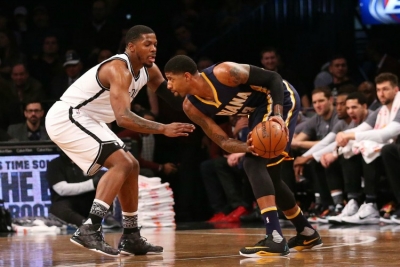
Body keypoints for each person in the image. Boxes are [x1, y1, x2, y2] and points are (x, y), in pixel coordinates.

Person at [45, 25, 195, 257]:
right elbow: (123, 118)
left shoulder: (150, 70)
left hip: (90, 119)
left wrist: (208, 99)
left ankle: (131, 236)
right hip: (68, 116)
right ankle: (90, 227)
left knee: (132, 165)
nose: (153, 48)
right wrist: (164, 128)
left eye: (155, 44)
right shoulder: (118, 68)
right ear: (131, 46)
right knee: (122, 164)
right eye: (147, 44)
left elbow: (176, 101)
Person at [164, 55, 322, 257]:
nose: (168, 85)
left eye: (170, 78)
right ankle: (306, 232)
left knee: (253, 165)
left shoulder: (225, 72)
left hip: (279, 99)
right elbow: (222, 141)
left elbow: (273, 78)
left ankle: (274, 237)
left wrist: (276, 113)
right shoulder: (191, 107)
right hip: (257, 110)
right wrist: (246, 147)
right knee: (269, 176)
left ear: (186, 76)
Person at [335, 72, 400, 224]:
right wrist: (343, 135)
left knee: (383, 148)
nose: (381, 94)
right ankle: (356, 202)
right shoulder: (380, 110)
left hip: (393, 149)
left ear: (396, 90)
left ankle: (371, 202)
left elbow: (386, 134)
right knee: (351, 147)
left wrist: (349, 136)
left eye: (385, 89)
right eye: (378, 90)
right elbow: (363, 128)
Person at [46, 152, 120, 229]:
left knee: (105, 186)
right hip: (66, 202)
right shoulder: (54, 164)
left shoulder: (88, 162)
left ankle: (107, 217)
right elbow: (61, 189)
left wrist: (102, 178)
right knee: (57, 209)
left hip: (89, 202)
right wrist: (92, 184)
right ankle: (84, 223)